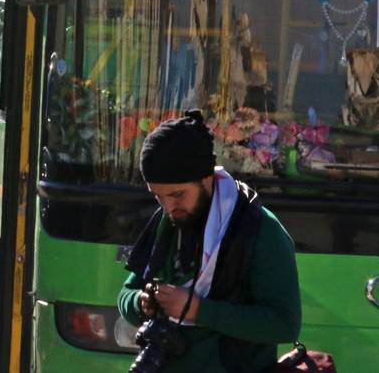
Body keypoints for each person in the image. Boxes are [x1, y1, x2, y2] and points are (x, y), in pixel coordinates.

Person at [117, 109, 302, 372]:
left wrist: (200, 311)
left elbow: (285, 323)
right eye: (158, 196)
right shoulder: (166, 222)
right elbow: (126, 293)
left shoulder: (259, 228)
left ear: (206, 178)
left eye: (178, 194)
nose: (169, 207)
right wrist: (142, 303)